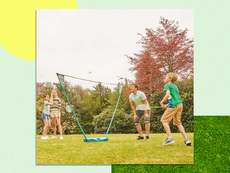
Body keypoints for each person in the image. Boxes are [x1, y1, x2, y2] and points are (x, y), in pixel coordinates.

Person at [160, 73, 191, 146]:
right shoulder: (175, 86)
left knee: (164, 120)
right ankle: (186, 139)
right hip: (179, 105)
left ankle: (170, 138)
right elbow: (175, 97)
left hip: (174, 105)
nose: (165, 78)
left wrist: (162, 102)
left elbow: (167, 95)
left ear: (170, 79)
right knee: (178, 123)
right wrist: (168, 104)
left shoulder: (167, 85)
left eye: (166, 77)